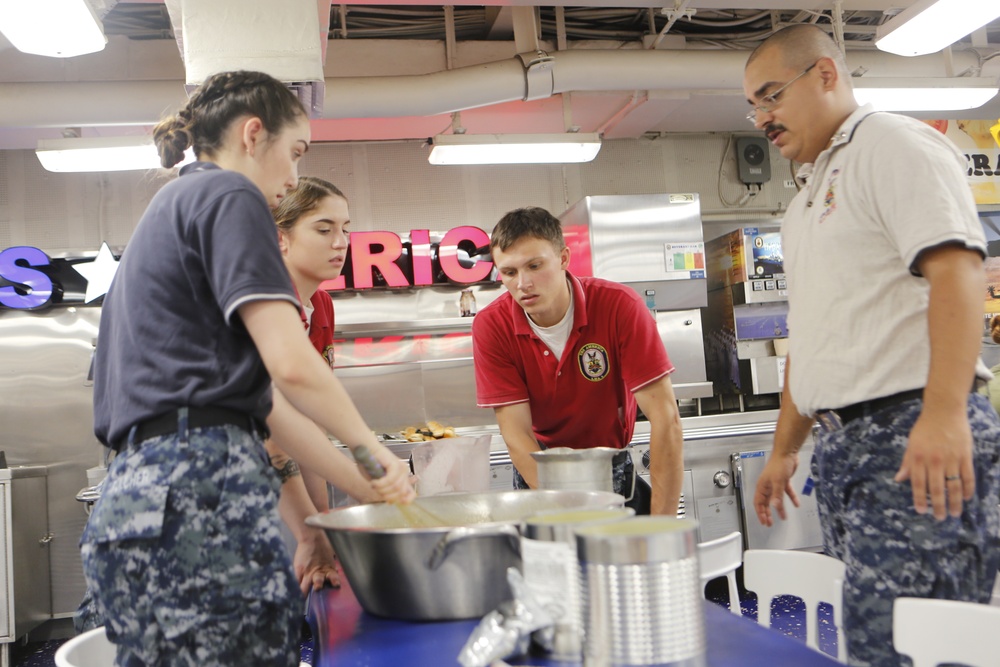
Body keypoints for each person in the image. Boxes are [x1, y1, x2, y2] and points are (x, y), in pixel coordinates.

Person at [81, 70, 414, 667]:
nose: (291, 180)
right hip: (199, 490)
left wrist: (324, 517)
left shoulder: (171, 208)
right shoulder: (229, 195)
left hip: (138, 501)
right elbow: (290, 365)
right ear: (253, 134)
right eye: (295, 153)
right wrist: (375, 454)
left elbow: (263, 405)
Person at [744, 25, 1000, 667]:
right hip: (846, 449)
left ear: (826, 75)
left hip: (913, 434)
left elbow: (959, 274)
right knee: (871, 644)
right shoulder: (804, 204)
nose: (762, 118)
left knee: (914, 650)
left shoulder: (890, 144)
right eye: (753, 105)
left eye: (771, 95)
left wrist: (942, 414)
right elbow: (815, 338)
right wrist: (784, 451)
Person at [471, 206, 684, 515]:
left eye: (534, 265)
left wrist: (664, 528)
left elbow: (666, 419)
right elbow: (517, 434)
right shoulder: (492, 326)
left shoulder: (619, 307)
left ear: (563, 258)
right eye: (510, 272)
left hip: (610, 462)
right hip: (538, 467)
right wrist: (565, 513)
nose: (523, 283)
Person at [266, 176, 384, 594]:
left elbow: (310, 423)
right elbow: (274, 435)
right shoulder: (265, 306)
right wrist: (311, 528)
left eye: (345, 229)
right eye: (324, 229)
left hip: (282, 487)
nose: (341, 242)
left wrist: (322, 521)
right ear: (281, 239)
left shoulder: (321, 306)